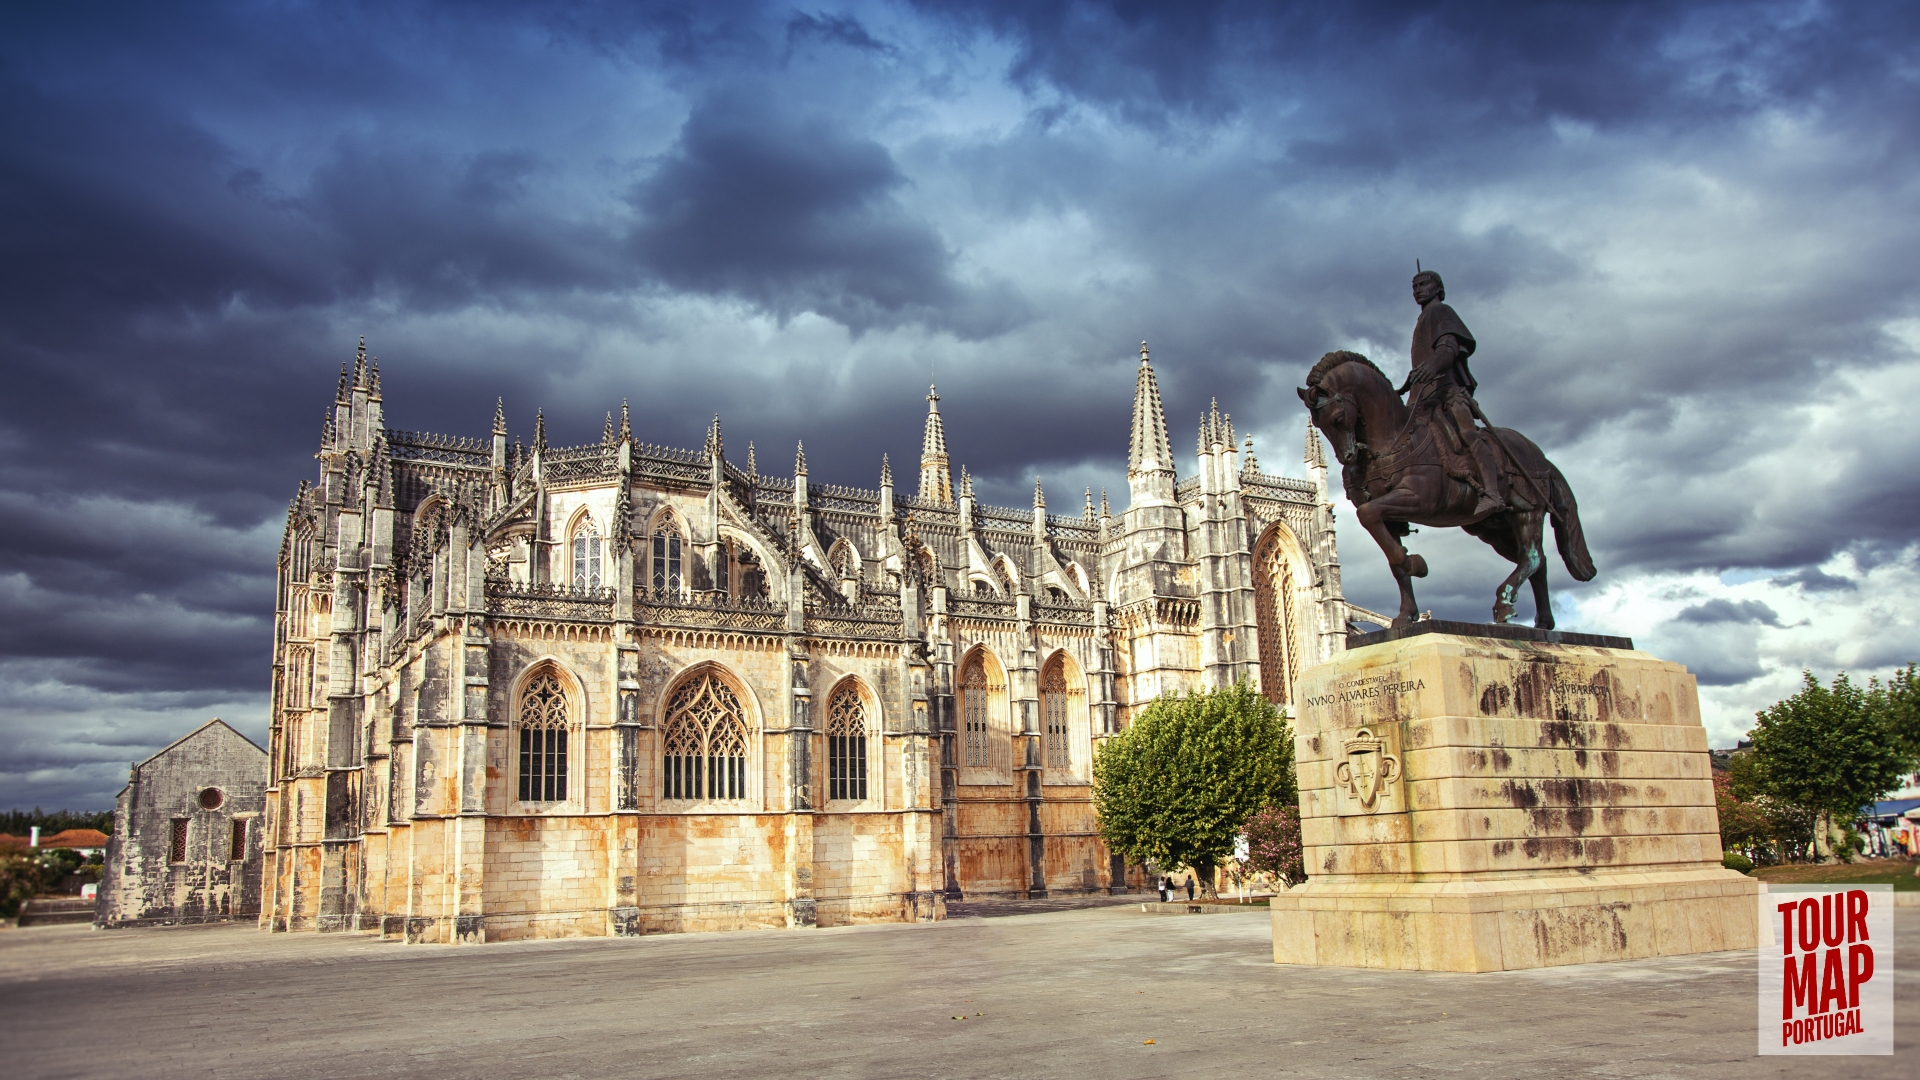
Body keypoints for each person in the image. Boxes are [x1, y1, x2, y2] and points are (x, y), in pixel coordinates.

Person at [1402, 269, 1507, 517]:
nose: (1417, 289)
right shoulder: (1422, 321)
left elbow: (1448, 348)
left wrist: (1430, 366)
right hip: (1422, 397)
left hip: (1447, 390)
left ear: (1438, 288)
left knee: (1468, 433)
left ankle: (1492, 492)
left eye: (1424, 284)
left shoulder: (1442, 312)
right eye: (1414, 286)